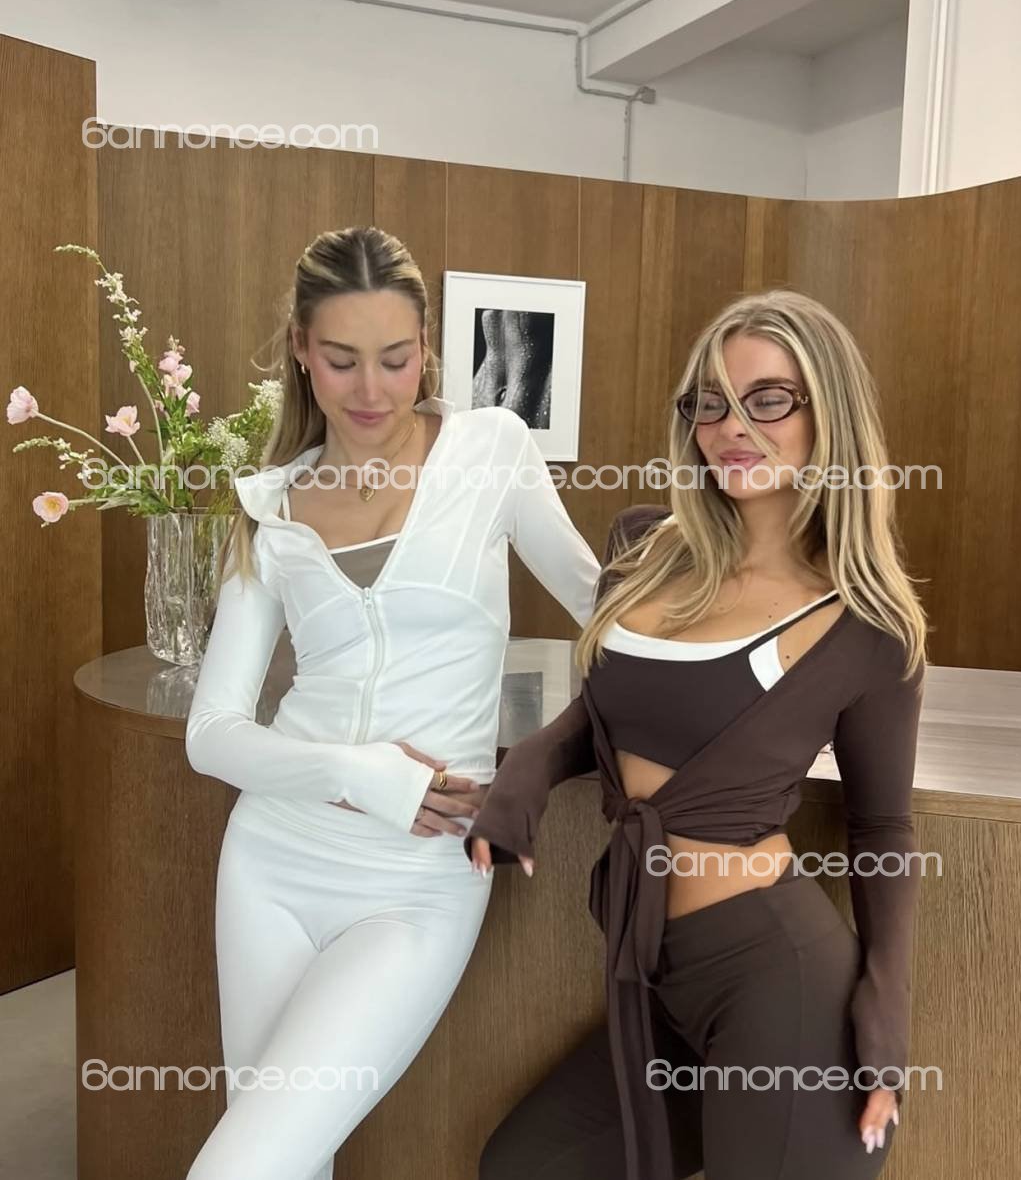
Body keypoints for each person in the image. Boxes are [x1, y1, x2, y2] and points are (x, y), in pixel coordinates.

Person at [467, 288, 929, 1180]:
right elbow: (607, 714)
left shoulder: (867, 622)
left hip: (777, 977)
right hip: (653, 971)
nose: (732, 427)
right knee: (523, 1166)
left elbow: (882, 826)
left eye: (768, 399)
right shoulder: (643, 550)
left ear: (827, 412)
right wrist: (529, 765)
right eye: (709, 402)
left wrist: (886, 1006)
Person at [183, 225, 601, 1180]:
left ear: (426, 347)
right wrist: (356, 772)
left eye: (396, 357)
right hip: (270, 863)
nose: (371, 389)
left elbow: (606, 616)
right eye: (341, 360)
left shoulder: (491, 450)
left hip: (416, 882)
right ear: (301, 349)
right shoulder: (270, 505)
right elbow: (212, 733)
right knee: (289, 1163)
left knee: (238, 1169)